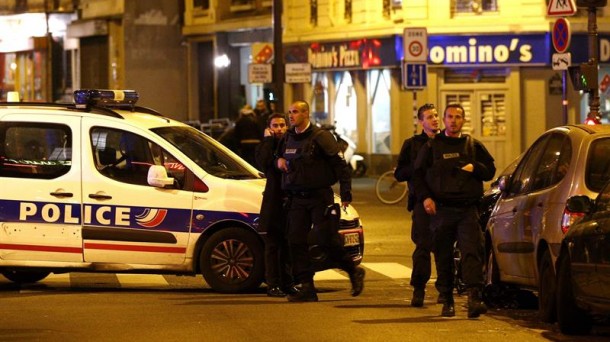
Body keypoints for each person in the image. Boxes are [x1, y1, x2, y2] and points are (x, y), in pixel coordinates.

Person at [412, 103, 496, 318]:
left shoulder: (472, 145)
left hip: (467, 209)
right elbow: (417, 176)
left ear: (464, 120)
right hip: (442, 210)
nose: (453, 120)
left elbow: (490, 172)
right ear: (445, 119)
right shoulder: (432, 147)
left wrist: (475, 168)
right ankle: (447, 299)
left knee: (472, 252)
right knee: (443, 256)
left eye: (458, 117)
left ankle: (474, 298)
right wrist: (426, 198)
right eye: (450, 117)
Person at [276, 100, 365, 302]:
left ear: (306, 114)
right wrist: (278, 161)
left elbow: (340, 165)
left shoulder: (321, 137)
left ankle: (353, 270)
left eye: (295, 112)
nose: (291, 116)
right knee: (296, 241)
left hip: (319, 196)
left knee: (326, 240)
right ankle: (307, 287)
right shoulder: (288, 138)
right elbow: (277, 158)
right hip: (297, 198)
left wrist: (346, 192)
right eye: (289, 112)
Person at [394, 103, 440, 307]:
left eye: (436, 115)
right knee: (423, 245)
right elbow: (399, 173)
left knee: (443, 247)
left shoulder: (447, 142)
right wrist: (417, 167)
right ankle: (419, 288)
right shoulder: (412, 144)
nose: (435, 119)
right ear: (421, 122)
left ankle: (445, 288)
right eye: (430, 117)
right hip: (421, 201)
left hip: (445, 202)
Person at [255, 113, 295, 297]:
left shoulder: (291, 143)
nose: (279, 128)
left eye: (282, 125)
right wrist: (268, 140)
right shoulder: (267, 145)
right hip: (273, 202)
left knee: (287, 245)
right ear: (269, 128)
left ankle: (288, 282)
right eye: (275, 126)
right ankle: (273, 284)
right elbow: (264, 162)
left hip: (290, 201)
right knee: (272, 246)